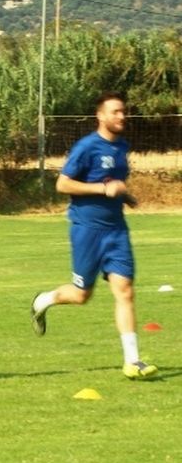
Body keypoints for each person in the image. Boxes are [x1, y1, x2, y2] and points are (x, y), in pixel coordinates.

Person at [31, 91, 157, 380]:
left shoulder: (121, 147)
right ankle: (43, 301)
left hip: (116, 231)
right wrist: (103, 190)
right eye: (115, 112)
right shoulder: (86, 147)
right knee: (80, 295)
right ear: (100, 116)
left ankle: (132, 360)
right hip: (87, 231)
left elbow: (113, 182)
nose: (121, 116)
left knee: (125, 291)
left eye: (123, 111)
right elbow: (62, 185)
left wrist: (126, 197)